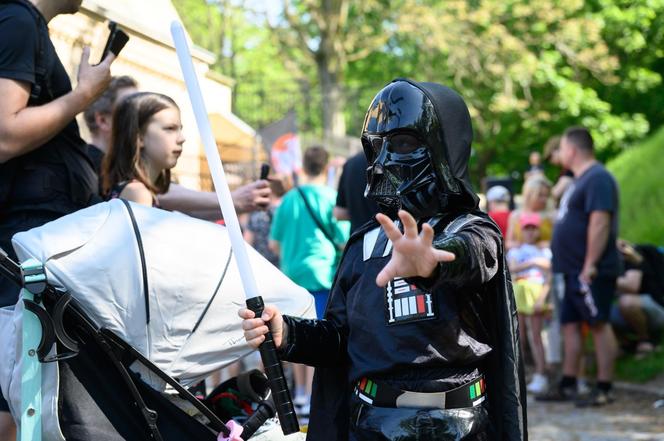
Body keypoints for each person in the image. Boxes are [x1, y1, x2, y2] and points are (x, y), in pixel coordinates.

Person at [240, 79, 526, 441]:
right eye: (377, 147)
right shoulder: (365, 244)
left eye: (404, 143)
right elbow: (342, 340)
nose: (385, 161)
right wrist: (288, 333)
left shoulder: (475, 231)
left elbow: (474, 256)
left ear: (444, 146)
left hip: (461, 425)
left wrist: (433, 264)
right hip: (373, 423)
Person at [0, 1, 116, 436]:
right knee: (13, 394)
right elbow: (5, 133)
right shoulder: (18, 20)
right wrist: (84, 95)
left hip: (26, 239)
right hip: (22, 243)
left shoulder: (24, 25)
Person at [83, 75, 272, 216]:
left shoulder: (143, 191)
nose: (181, 138)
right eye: (170, 129)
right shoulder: (135, 191)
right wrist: (233, 200)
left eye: (179, 129)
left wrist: (237, 204)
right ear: (138, 136)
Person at [541, 126, 620, 407]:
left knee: (598, 324)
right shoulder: (578, 180)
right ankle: (568, 382)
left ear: (572, 150)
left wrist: (590, 264)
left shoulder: (598, 178)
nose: (560, 155)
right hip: (569, 269)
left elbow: (600, 221)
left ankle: (604, 386)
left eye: (561, 149)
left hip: (588, 270)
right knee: (571, 325)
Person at [268, 146, 349, 416]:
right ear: (326, 167)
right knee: (318, 335)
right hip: (322, 275)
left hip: (291, 277)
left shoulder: (289, 199)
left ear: (303, 165)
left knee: (293, 333)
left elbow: (273, 243)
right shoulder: (331, 197)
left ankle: (301, 394)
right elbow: (342, 239)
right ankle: (313, 395)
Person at [507, 212, 552, 394]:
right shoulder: (516, 251)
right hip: (520, 292)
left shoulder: (544, 250)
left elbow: (549, 272)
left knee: (536, 336)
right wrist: (534, 263)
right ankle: (521, 375)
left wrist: (542, 298)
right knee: (520, 337)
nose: (531, 232)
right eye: (527, 228)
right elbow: (512, 268)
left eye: (534, 228)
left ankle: (541, 374)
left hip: (536, 292)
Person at [611, 240, 664, 356]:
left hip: (656, 307)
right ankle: (626, 345)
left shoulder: (627, 252)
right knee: (596, 312)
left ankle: (646, 340)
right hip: (631, 312)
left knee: (627, 302)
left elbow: (632, 286)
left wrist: (603, 277)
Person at [334, 151, 379, 234]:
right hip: (386, 242)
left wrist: (357, 213)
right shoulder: (397, 161)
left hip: (357, 240)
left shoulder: (351, 163)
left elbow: (339, 213)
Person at [505, 175, 554, 250]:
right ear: (529, 195)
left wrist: (547, 244)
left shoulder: (552, 216)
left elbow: (560, 242)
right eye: (540, 195)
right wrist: (521, 246)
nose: (544, 199)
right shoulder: (515, 216)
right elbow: (508, 243)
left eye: (546, 195)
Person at [543, 135, 574, 207]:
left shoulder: (570, 169)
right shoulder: (565, 169)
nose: (550, 161)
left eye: (550, 157)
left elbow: (556, 193)